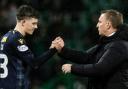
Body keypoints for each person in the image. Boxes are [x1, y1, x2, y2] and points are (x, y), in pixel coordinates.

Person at [52, 9, 128, 89]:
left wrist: (73, 68)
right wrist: (62, 50)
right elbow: (85, 56)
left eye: (100, 22)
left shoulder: (119, 46)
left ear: (108, 25)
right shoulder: (107, 43)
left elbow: (100, 69)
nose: (97, 25)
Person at [0, 5, 56, 89]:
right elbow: (35, 63)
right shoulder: (16, 39)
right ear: (23, 22)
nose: (36, 27)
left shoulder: (6, 36)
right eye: (33, 23)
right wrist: (53, 50)